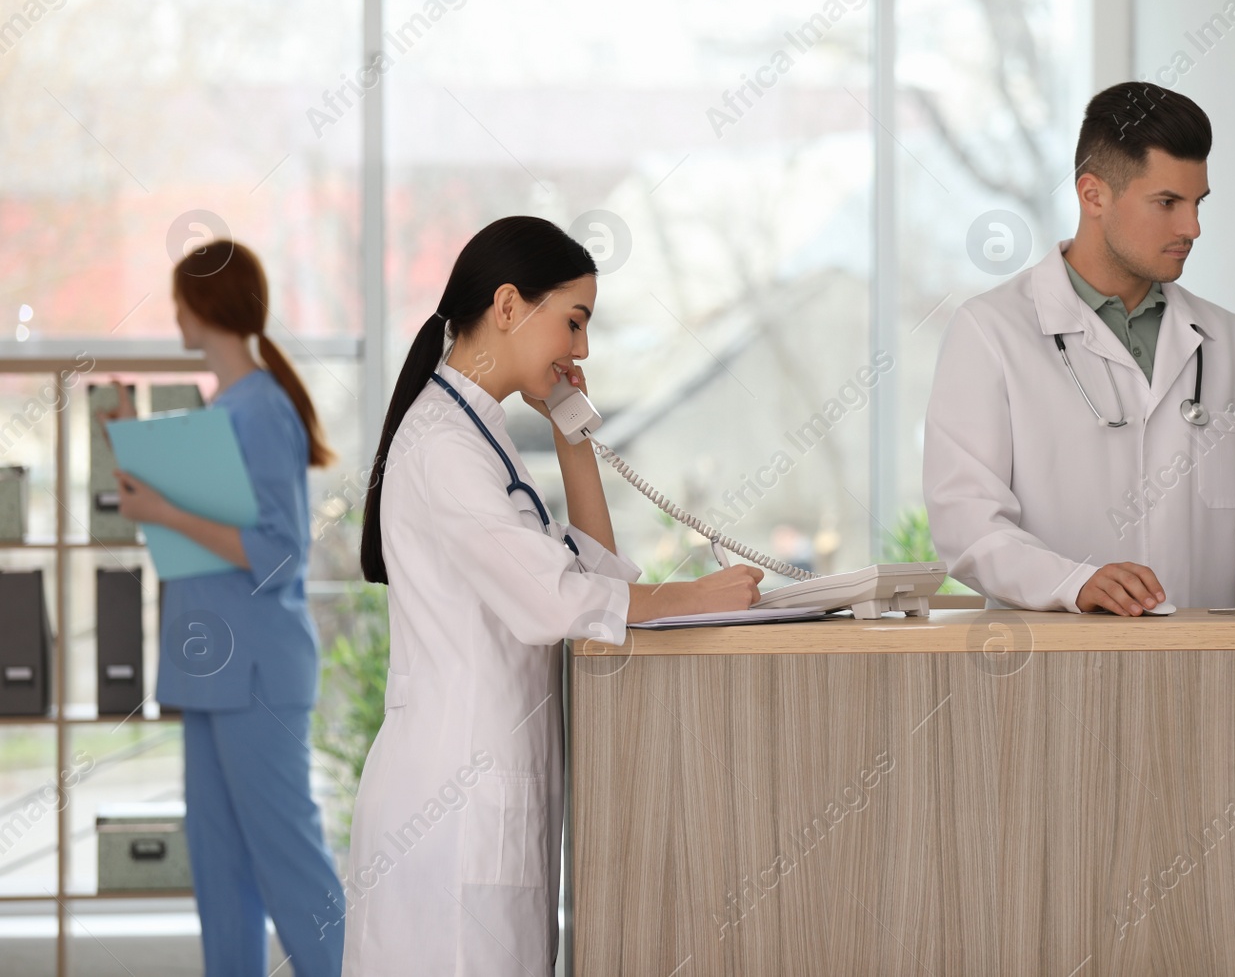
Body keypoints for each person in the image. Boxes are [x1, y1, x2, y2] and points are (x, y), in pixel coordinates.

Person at [342, 216, 761, 975]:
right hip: (451, 807)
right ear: (508, 307)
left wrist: (574, 438)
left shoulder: (482, 434)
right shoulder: (441, 444)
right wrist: (696, 593)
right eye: (574, 321)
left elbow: (592, 573)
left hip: (488, 796)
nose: (583, 348)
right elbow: (555, 600)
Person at [923, 82, 1235, 614]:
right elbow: (968, 524)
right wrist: (1074, 583)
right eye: (1167, 202)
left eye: (1197, 203)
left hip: (1200, 672)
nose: (1191, 227)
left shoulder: (1228, 341)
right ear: (1093, 194)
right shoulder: (990, 332)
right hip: (1050, 675)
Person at [107, 239, 346, 973]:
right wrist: (150, 482)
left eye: (179, 297)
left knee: (286, 859)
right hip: (209, 669)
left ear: (203, 306)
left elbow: (279, 553)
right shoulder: (226, 410)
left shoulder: (263, 409)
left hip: (256, 674)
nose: (174, 310)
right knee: (219, 869)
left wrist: (168, 510)